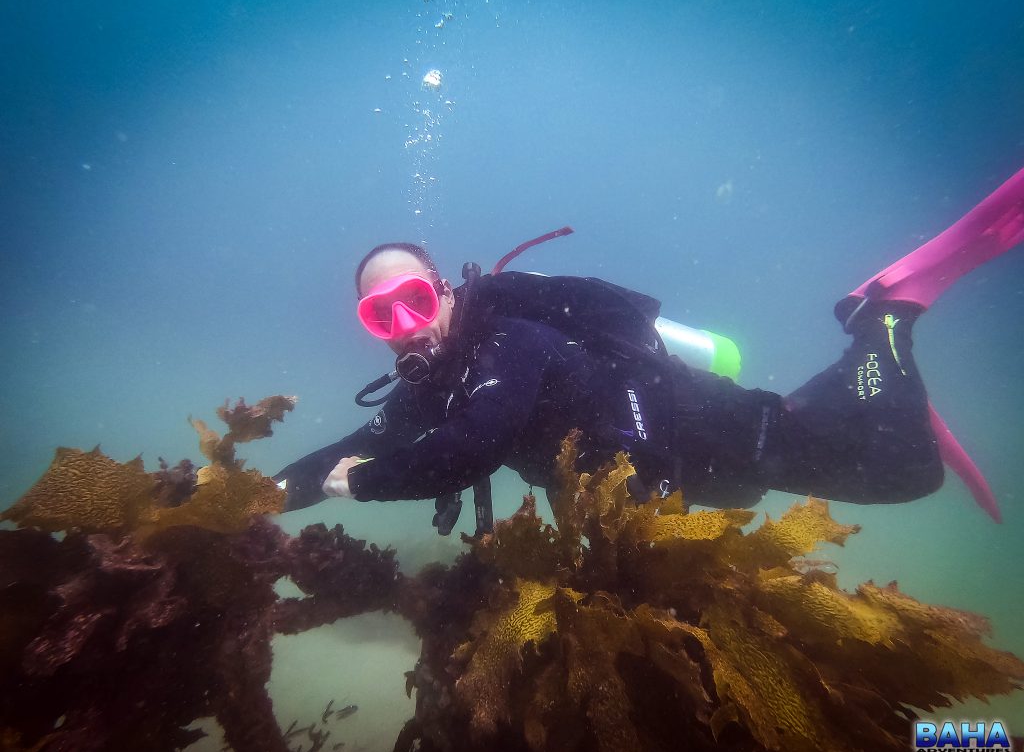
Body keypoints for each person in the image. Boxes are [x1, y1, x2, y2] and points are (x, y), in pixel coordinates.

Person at [275, 168, 1024, 527]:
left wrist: (359, 484)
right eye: (382, 315)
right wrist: (259, 500)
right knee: (845, 415)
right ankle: (873, 374)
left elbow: (476, 444)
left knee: (907, 471)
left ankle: (884, 316)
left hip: (731, 438)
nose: (405, 325)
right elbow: (348, 444)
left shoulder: (510, 340)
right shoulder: (432, 384)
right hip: (702, 462)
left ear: (442, 293)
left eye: (414, 300)